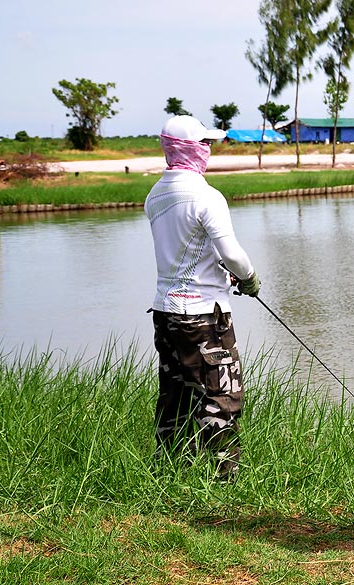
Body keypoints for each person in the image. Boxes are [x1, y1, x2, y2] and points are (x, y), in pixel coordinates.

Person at [145, 115, 260, 478]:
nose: (209, 150)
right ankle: (227, 482)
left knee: (175, 396)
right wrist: (250, 278)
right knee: (222, 397)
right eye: (205, 144)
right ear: (190, 149)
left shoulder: (155, 194)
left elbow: (186, 249)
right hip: (203, 318)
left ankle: (170, 474)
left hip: (166, 312)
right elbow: (232, 254)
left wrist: (219, 271)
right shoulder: (207, 197)